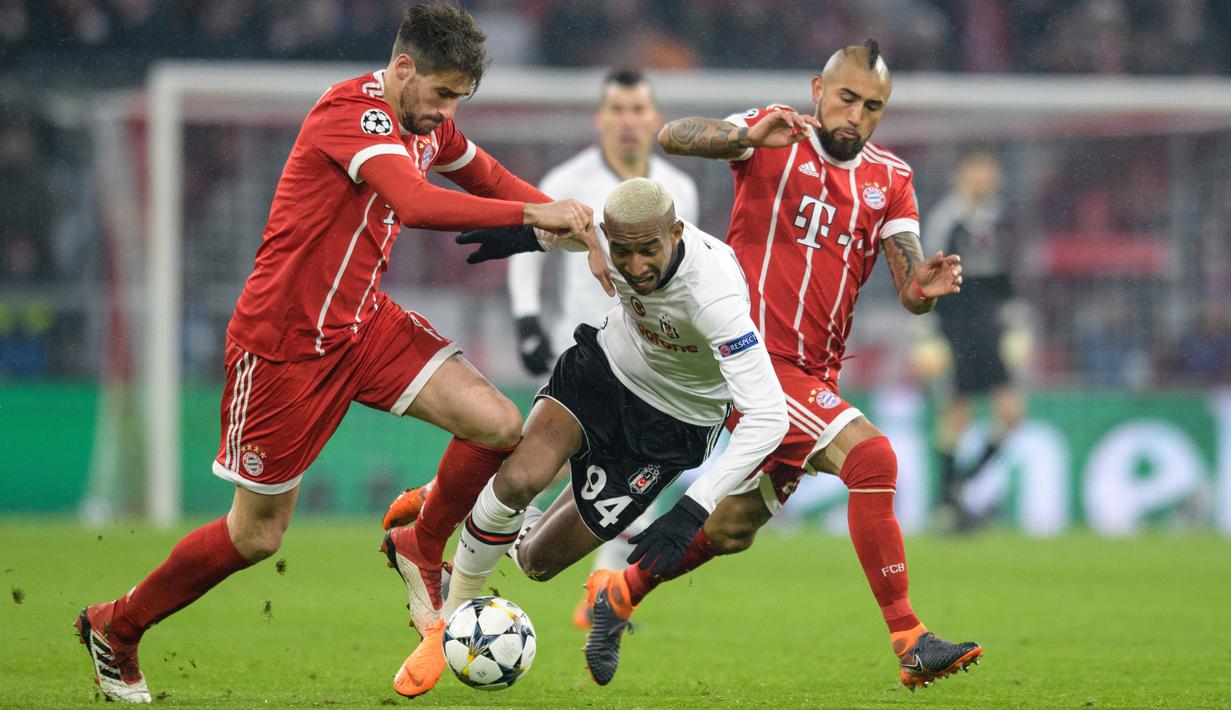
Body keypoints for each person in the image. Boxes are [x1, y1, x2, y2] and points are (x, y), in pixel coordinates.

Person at [74, 4, 609, 704]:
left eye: (459, 99)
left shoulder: (427, 124)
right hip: (283, 347)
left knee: (496, 424)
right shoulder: (350, 113)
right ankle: (117, 626)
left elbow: (486, 175)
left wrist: (563, 217)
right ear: (404, 68)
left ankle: (420, 544)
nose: (447, 111)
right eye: (442, 93)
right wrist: (530, 217)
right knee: (256, 536)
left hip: (363, 325)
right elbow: (414, 204)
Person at [586, 40, 982, 691]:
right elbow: (675, 135)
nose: (855, 115)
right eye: (846, 97)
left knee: (733, 529)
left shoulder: (892, 179)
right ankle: (910, 637)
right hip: (755, 360)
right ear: (818, 90)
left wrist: (923, 287)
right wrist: (741, 136)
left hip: (815, 374)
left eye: (872, 106)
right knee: (872, 459)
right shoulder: (776, 130)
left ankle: (619, 595)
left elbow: (909, 285)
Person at [383, 177, 788, 695]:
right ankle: (445, 622)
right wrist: (529, 236)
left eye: (649, 251)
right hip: (604, 371)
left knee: (536, 561)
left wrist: (694, 509)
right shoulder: (607, 236)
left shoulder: (715, 299)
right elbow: (574, 228)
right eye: (623, 251)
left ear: (677, 233)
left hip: (673, 425)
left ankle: (454, 499)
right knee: (518, 480)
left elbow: (770, 416)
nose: (636, 266)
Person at [382, 67, 702, 629]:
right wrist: (528, 321)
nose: (628, 122)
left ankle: (598, 593)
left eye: (638, 110)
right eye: (618, 110)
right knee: (533, 470)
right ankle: (444, 523)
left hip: (648, 362)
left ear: (653, 119)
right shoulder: (569, 177)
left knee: (621, 483)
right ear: (602, 118)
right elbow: (534, 244)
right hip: (581, 355)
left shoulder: (681, 191)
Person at [924, 150, 1027, 532]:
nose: (984, 180)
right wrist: (928, 333)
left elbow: (1009, 280)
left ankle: (955, 491)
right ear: (961, 176)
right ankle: (948, 503)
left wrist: (1017, 326)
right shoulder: (946, 221)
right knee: (957, 415)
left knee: (1011, 415)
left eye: (990, 172)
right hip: (955, 328)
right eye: (977, 172)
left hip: (992, 329)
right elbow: (927, 278)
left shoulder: (1001, 221)